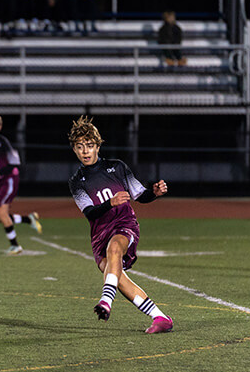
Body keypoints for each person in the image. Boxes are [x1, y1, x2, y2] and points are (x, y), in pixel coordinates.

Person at [67, 115, 173, 334]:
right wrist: (110, 202)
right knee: (118, 278)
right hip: (99, 235)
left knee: (115, 248)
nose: (85, 151)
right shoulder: (77, 182)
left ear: (97, 146)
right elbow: (90, 212)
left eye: (89, 145)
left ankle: (106, 300)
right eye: (80, 147)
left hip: (124, 224)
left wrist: (153, 193)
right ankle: (161, 318)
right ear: (74, 150)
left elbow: (139, 195)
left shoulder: (117, 168)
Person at [0, 112, 42, 255]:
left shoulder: (3, 143)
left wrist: (0, 173)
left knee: (2, 212)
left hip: (9, 179)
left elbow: (15, 163)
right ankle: (28, 219)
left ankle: (15, 246)